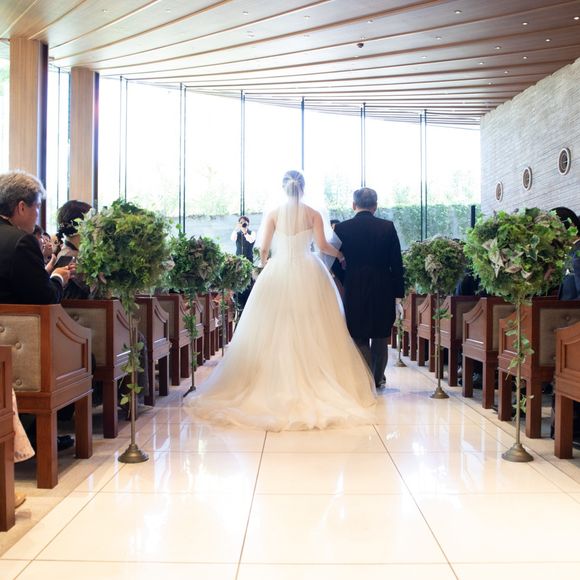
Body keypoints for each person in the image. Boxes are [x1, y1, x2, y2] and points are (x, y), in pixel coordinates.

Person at [185, 170, 376, 430]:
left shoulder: (274, 214)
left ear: (283, 188)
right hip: (309, 271)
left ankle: (270, 380)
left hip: (279, 270)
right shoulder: (313, 213)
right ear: (303, 188)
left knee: (273, 325)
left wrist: (266, 266)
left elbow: (263, 247)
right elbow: (322, 246)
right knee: (313, 325)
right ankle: (316, 378)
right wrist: (341, 256)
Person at [333, 187, 405, 390]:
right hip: (383, 286)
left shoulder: (342, 228)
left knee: (358, 333)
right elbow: (397, 264)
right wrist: (398, 294)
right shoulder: (387, 227)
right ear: (375, 206)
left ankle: (364, 380)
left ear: (353, 205)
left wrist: (346, 277)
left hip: (354, 285)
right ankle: (377, 377)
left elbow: (334, 261)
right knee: (381, 335)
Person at [0, 170, 74, 304]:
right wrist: (58, 277)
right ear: (22, 207)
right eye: (38, 207)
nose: (38, 214)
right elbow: (45, 298)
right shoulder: (22, 241)